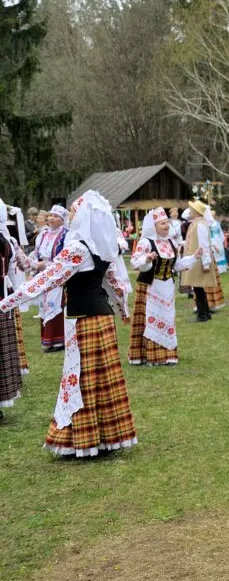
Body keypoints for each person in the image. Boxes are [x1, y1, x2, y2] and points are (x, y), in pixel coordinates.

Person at [0, 191, 138, 456]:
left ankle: (84, 439)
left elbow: (47, 279)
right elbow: (115, 285)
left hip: (82, 320)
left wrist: (7, 302)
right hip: (103, 319)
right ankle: (106, 437)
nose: (70, 215)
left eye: (73, 211)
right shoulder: (102, 245)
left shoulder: (77, 249)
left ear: (83, 216)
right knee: (102, 380)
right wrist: (122, 310)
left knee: (81, 379)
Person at [128, 208, 197, 366]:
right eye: (162, 223)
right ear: (154, 226)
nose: (166, 225)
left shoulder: (171, 243)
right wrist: (147, 258)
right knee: (152, 319)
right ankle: (151, 356)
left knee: (167, 318)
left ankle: (168, 354)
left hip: (167, 287)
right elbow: (135, 263)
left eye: (167, 222)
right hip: (150, 287)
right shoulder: (146, 242)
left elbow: (177, 265)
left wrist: (194, 258)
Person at [0, 199, 36, 414]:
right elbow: (24, 265)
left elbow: (24, 265)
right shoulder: (8, 240)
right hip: (4, 300)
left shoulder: (8, 241)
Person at [34, 205, 69, 351]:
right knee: (44, 305)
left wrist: (48, 264)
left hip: (56, 274)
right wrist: (36, 265)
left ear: (62, 219)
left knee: (56, 305)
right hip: (43, 274)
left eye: (55, 216)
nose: (51, 218)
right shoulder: (43, 234)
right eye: (50, 216)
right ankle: (47, 339)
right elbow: (37, 251)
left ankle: (58, 340)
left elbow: (65, 255)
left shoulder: (66, 234)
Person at [180, 203, 218, 322]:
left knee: (198, 287)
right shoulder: (196, 223)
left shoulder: (200, 225)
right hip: (195, 259)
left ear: (196, 211)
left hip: (198, 260)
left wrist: (206, 263)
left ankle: (203, 314)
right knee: (198, 288)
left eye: (191, 209)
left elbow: (204, 244)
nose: (189, 211)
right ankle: (205, 313)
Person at [205, 209, 227, 310]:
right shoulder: (206, 223)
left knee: (220, 254)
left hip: (217, 239)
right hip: (211, 240)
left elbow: (220, 232)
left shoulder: (216, 223)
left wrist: (222, 240)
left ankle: (221, 268)